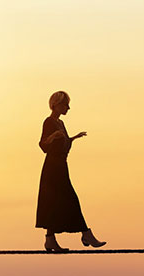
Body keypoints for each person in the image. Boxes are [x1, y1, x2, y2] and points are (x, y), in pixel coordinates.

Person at [35, 91, 105, 252]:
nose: (68, 107)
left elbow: (63, 145)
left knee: (56, 202)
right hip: (53, 168)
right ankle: (86, 233)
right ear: (56, 105)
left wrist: (72, 139)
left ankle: (50, 239)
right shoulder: (49, 122)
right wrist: (52, 137)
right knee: (70, 199)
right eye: (65, 104)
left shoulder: (61, 124)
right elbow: (43, 145)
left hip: (61, 165)